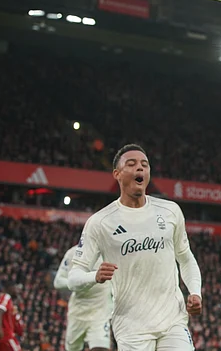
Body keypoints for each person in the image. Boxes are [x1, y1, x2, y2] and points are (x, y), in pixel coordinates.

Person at [67, 144, 203, 351]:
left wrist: (195, 292)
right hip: (131, 326)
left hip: (172, 320)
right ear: (117, 174)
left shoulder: (170, 211)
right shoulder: (100, 222)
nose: (140, 168)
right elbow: (73, 277)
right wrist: (94, 276)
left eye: (145, 165)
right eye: (131, 164)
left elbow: (185, 258)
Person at [54, 243, 113, 351]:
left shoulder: (110, 252)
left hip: (101, 310)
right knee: (73, 348)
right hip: (78, 311)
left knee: (101, 348)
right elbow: (58, 282)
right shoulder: (73, 253)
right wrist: (78, 283)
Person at [0, 281, 21, 351]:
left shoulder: (2, 299)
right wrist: (0, 329)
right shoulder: (6, 297)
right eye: (15, 288)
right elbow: (0, 311)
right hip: (4, 333)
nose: (16, 290)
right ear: (10, 288)